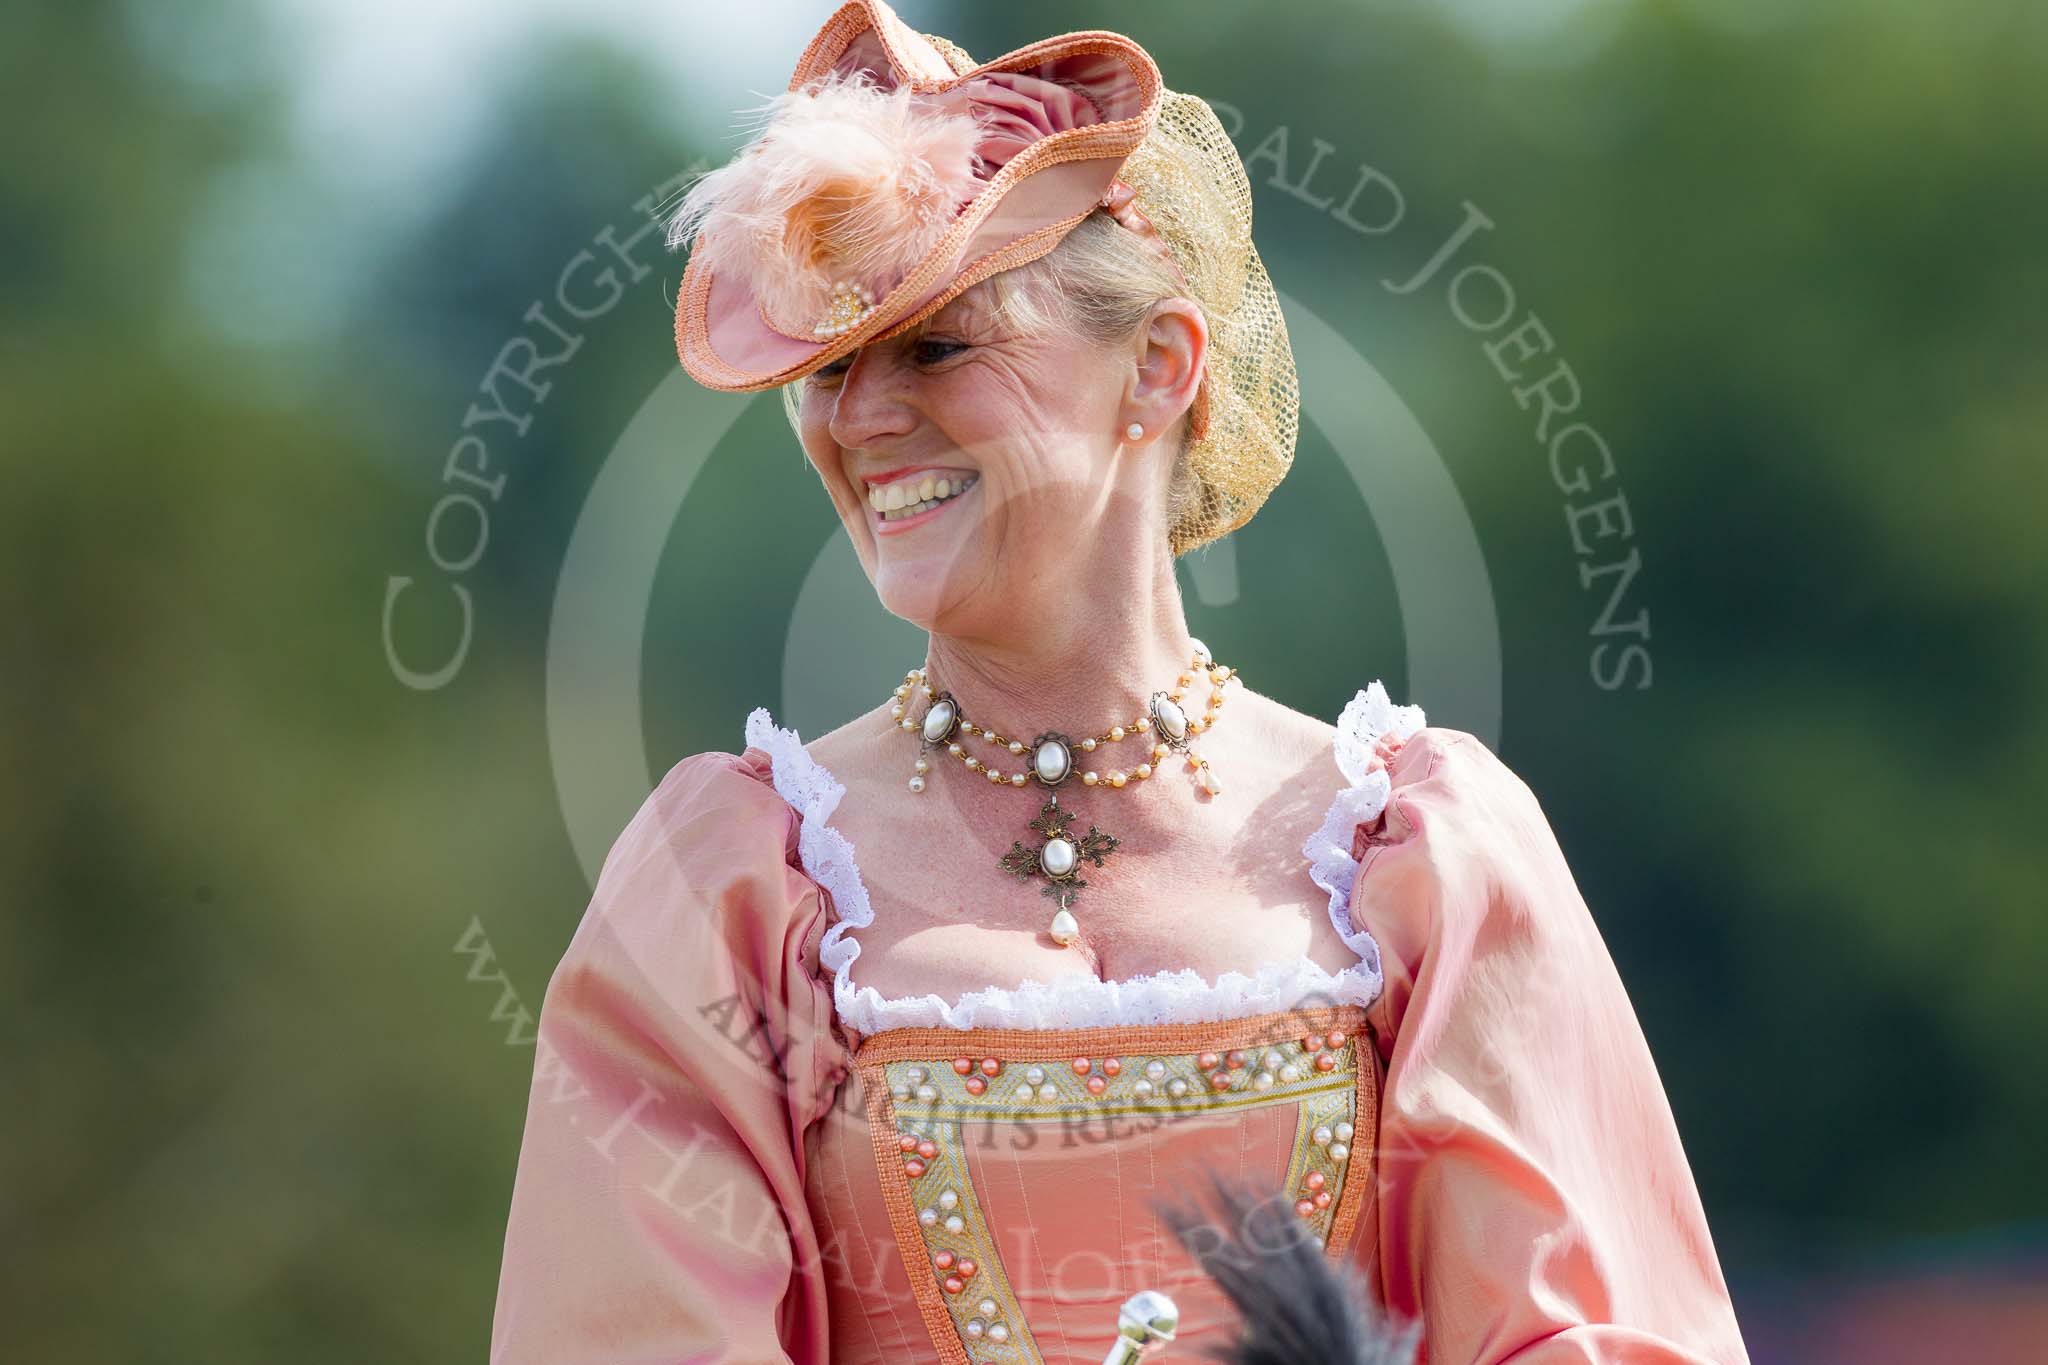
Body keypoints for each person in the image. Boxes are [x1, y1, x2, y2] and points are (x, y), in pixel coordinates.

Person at [489, 4, 1749, 1362]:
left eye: (939, 345)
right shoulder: (732, 886)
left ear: (1156, 367)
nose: (857, 418)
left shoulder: (1426, 855)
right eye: (832, 366)